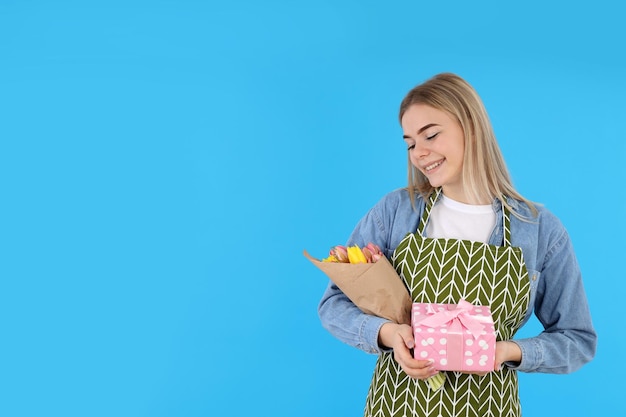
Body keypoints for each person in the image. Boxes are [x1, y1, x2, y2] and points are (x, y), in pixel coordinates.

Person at [317, 72, 597, 417]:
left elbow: (577, 339)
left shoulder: (539, 229)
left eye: (431, 135)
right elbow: (333, 304)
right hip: (398, 405)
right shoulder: (396, 211)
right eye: (410, 143)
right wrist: (389, 334)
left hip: (487, 407)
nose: (419, 153)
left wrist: (506, 351)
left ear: (472, 127)